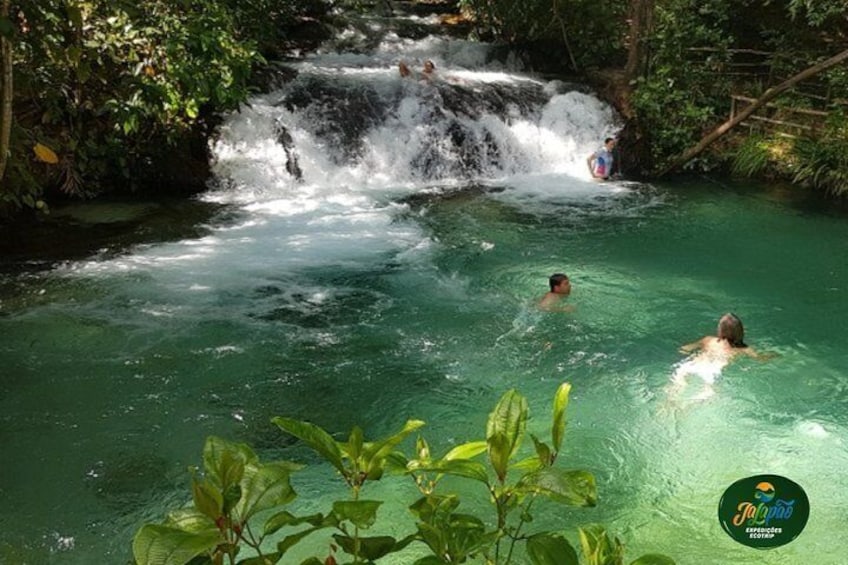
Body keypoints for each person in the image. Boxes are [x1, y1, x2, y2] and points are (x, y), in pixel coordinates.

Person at [669, 313, 771, 401]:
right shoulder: (743, 349)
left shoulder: (708, 340)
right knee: (706, 393)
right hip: (711, 371)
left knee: (678, 387)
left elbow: (684, 349)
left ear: (720, 329)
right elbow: (761, 359)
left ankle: (669, 403)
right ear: (740, 331)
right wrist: (775, 355)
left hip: (693, 365)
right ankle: (688, 405)